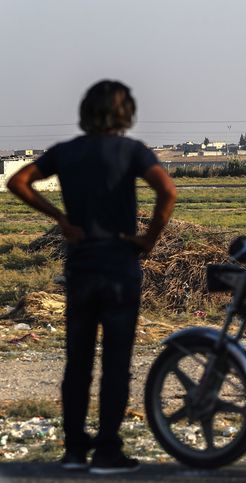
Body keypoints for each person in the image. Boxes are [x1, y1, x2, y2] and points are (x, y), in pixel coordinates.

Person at [7, 80, 177, 474]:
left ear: (85, 111)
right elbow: (167, 191)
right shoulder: (132, 151)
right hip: (120, 266)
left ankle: (73, 451)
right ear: (126, 112)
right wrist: (148, 239)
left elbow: (18, 181)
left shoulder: (67, 152)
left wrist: (61, 219)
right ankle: (107, 452)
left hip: (81, 266)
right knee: (116, 363)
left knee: (77, 361)